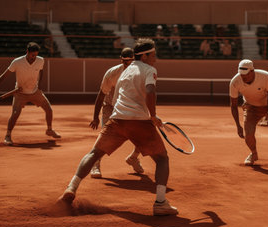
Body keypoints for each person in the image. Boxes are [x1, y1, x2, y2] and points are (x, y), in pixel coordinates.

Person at [58, 38, 178, 216]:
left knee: (93, 154)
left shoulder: (124, 72)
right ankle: (161, 202)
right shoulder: (150, 70)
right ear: (144, 56)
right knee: (162, 159)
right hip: (139, 122)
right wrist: (152, 116)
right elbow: (151, 92)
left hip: (117, 120)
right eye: (153, 55)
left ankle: (71, 188)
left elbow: (115, 100)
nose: (155, 58)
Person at [0, 42, 61, 146]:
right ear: (27, 52)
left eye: (36, 55)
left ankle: (49, 130)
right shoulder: (17, 62)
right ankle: (8, 135)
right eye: (32, 55)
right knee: (15, 114)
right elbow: (4, 75)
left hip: (35, 91)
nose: (34, 57)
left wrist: (40, 84)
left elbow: (41, 71)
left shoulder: (40, 60)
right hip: (20, 93)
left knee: (49, 109)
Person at [88, 47, 144, 179]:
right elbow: (101, 95)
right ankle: (95, 163)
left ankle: (133, 158)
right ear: (121, 60)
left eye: (131, 61)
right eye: (126, 62)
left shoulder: (140, 73)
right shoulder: (112, 73)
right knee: (105, 137)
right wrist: (95, 117)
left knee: (144, 134)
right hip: (110, 107)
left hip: (129, 107)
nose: (129, 64)